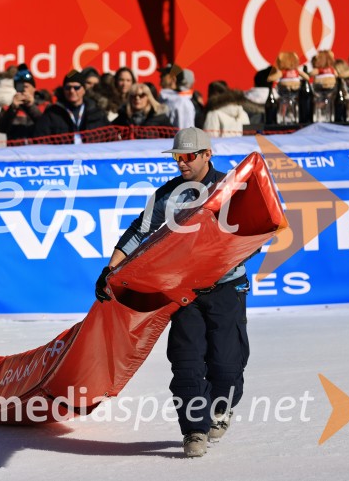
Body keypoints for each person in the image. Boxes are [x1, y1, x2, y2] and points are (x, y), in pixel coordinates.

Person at [95, 128, 251, 458]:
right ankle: (194, 429)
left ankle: (221, 409)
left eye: (188, 156)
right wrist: (111, 271)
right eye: (177, 156)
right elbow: (139, 233)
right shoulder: (167, 196)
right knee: (186, 361)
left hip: (226, 289)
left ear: (207, 155)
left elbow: (251, 234)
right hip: (183, 293)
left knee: (226, 363)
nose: (181, 162)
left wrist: (216, 262)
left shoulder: (231, 188)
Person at [34, 69, 108, 142]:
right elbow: (41, 140)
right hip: (63, 153)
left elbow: (109, 138)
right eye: (68, 88)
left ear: (84, 90)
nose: (72, 91)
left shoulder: (96, 112)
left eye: (76, 88)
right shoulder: (52, 113)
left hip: (91, 153)